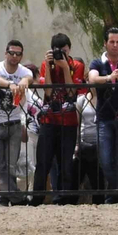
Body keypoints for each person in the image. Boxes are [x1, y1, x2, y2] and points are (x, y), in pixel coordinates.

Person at [32, 32, 86, 205]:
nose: (61, 54)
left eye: (64, 50)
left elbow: (72, 93)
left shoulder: (76, 65)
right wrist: (48, 67)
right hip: (49, 121)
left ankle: (64, 199)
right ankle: (37, 198)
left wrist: (64, 67)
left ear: (69, 49)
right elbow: (47, 93)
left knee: (65, 164)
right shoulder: (45, 64)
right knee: (43, 162)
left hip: (68, 122)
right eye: (58, 51)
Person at [87, 27, 118, 202]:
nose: (115, 45)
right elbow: (92, 78)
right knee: (106, 160)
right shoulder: (97, 63)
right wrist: (109, 78)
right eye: (111, 42)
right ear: (105, 43)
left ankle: (113, 196)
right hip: (104, 116)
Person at [0, 40, 34, 205]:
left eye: (18, 54)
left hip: (13, 123)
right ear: (5, 53)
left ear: (21, 55)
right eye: (11, 53)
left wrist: (24, 81)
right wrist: (10, 84)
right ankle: (18, 198)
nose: (14, 56)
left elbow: (28, 77)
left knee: (11, 166)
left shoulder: (24, 71)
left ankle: (4, 199)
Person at [74, 90, 102, 203]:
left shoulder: (104, 99)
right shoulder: (81, 100)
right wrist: (76, 143)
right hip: (83, 142)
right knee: (76, 176)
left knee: (97, 179)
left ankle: (99, 202)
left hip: (99, 143)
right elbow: (78, 123)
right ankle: (71, 201)